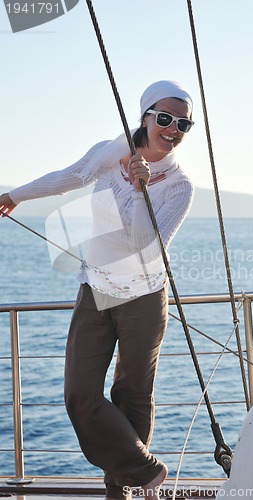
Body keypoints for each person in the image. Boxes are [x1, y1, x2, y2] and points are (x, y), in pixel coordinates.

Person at [0, 80, 194, 499]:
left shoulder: (179, 186)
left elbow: (144, 244)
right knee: (79, 394)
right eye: (165, 118)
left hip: (143, 296)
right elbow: (69, 176)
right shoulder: (108, 154)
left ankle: (119, 490)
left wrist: (142, 189)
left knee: (132, 393)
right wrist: (14, 195)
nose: (172, 128)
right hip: (96, 288)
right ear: (145, 115)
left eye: (183, 123)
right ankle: (144, 470)